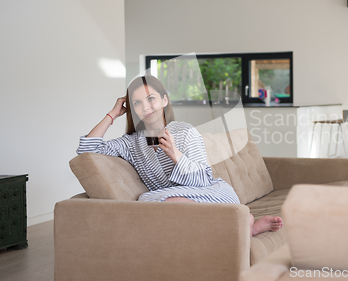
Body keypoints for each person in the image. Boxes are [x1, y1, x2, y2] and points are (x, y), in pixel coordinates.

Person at [77, 75, 282, 236]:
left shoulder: (185, 131)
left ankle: (245, 225)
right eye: (137, 103)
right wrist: (113, 113)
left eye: (151, 99)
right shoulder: (131, 143)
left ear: (164, 100)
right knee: (148, 202)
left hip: (209, 193)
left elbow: (203, 179)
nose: (146, 107)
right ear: (132, 109)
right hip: (169, 202)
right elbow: (87, 147)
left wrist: (176, 155)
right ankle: (244, 227)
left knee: (168, 203)